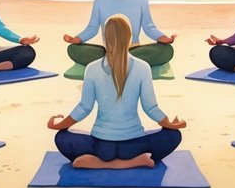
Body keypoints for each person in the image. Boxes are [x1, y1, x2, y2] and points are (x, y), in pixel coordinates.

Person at [48, 14, 187, 169]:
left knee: (62, 138)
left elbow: (84, 107)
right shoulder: (143, 67)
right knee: (173, 136)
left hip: (102, 147)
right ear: (129, 37)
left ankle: (100, 163)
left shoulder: (92, 68)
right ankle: (133, 162)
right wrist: (169, 123)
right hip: (135, 146)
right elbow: (150, 108)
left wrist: (60, 125)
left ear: (105, 37)